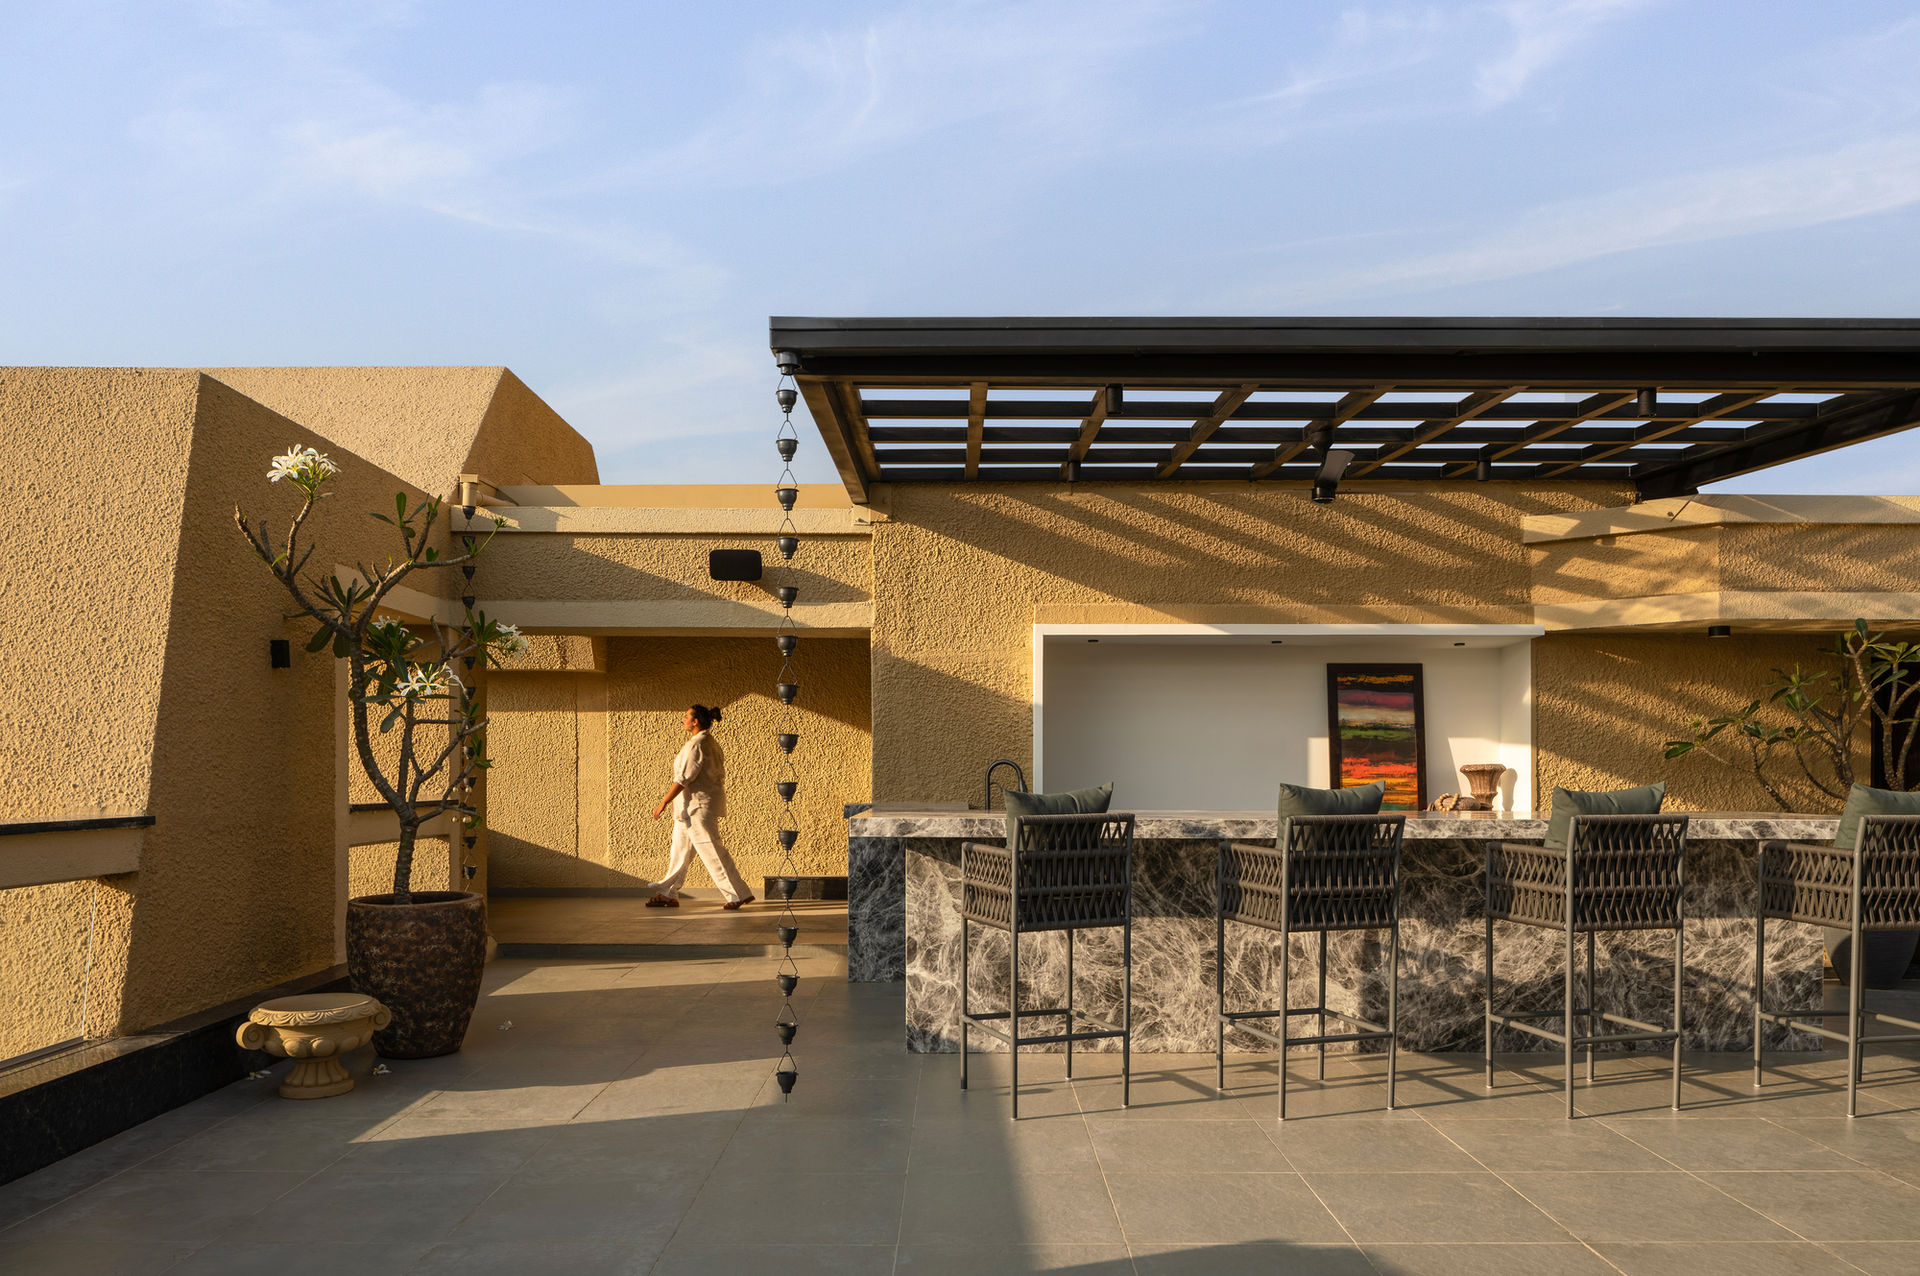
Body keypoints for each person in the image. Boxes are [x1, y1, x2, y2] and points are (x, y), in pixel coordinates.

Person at [647, 704, 755, 909]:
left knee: (711, 850)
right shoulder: (708, 743)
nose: (684, 719)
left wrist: (664, 801)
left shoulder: (697, 745)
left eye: (686, 716)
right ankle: (669, 893)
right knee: (679, 853)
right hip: (688, 809)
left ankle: (737, 894)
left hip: (697, 808)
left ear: (695, 721)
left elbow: (683, 778)